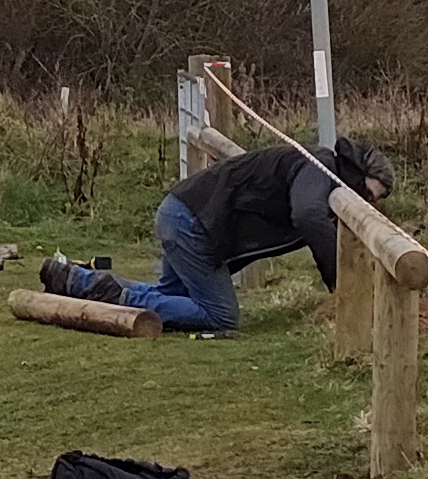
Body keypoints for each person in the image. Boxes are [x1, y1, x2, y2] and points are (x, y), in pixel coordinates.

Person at [43, 130, 389, 336]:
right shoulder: (320, 169)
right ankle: (109, 293)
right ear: (355, 175)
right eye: (368, 194)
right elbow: (308, 216)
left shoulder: (317, 171)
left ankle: (77, 281)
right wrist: (340, 284)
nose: (366, 203)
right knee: (220, 316)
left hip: (185, 213)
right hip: (192, 223)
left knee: (168, 296)